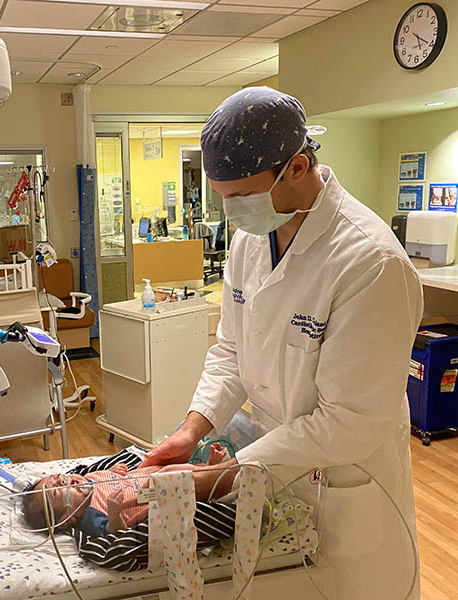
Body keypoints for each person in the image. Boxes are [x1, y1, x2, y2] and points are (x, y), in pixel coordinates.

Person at [139, 87, 423, 599]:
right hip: (275, 464)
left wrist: (227, 476)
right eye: (223, 198)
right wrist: (192, 429)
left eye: (242, 197)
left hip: (345, 479)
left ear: (296, 167)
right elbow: (230, 350)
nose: (233, 213)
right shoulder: (251, 240)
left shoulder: (370, 263)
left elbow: (350, 421)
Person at [22, 443, 230, 537]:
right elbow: (116, 533)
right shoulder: (89, 515)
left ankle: (207, 468)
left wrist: (111, 471)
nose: (62, 480)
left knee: (167, 458)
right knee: (170, 473)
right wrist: (113, 513)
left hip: (148, 473)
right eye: (57, 491)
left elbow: (103, 477)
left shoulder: (87, 479)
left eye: (55, 477)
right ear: (67, 518)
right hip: (156, 493)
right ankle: (215, 473)